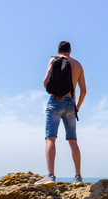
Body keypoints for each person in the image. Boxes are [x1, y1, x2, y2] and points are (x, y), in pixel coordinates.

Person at [35, 41, 87, 186]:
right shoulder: (78, 65)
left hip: (55, 102)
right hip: (71, 104)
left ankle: (50, 175)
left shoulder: (54, 60)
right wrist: (77, 107)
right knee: (73, 141)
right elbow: (84, 90)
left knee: (50, 138)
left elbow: (45, 82)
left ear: (59, 52)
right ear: (70, 50)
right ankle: (78, 177)